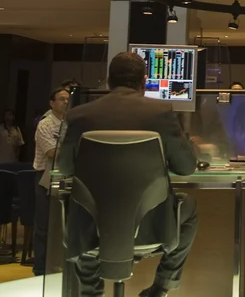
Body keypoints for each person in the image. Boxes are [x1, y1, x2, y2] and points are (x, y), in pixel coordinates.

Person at [59, 52, 198, 297]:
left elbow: (65, 169)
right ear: (144, 81)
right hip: (151, 227)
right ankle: (161, 287)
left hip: (91, 229)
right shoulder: (162, 112)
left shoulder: (79, 116)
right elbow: (186, 167)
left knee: (81, 208)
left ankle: (91, 291)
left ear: (108, 81)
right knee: (190, 207)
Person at [32, 88, 70, 276]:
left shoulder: (70, 123)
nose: (65, 102)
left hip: (65, 177)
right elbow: (51, 153)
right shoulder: (45, 124)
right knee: (44, 226)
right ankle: (40, 269)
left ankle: (59, 266)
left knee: (62, 226)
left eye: (68, 99)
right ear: (52, 103)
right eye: (61, 99)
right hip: (45, 178)